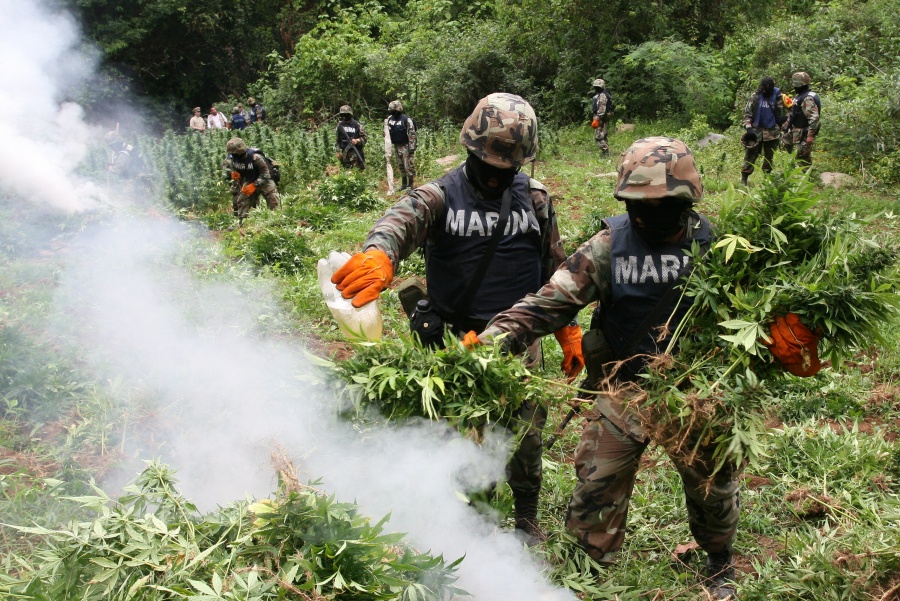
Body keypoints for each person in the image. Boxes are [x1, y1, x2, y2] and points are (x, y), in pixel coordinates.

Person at [471, 137, 743, 599]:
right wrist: (490, 340)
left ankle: (719, 560)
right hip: (623, 389)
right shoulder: (608, 248)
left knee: (713, 487)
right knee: (595, 492)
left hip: (696, 390)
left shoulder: (722, 249)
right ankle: (586, 572)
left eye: (664, 206)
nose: (651, 216)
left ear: (687, 200)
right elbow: (547, 303)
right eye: (641, 206)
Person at [330, 93, 584, 543]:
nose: (495, 175)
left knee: (525, 436)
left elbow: (553, 264)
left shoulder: (536, 201)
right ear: (470, 149)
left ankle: (526, 516)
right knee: (465, 436)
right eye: (487, 164)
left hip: (519, 343)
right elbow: (398, 222)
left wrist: (567, 329)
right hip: (454, 342)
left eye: (506, 168)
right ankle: (474, 523)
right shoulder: (439, 196)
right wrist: (379, 255)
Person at [740, 77, 787, 185]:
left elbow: (790, 108)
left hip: (772, 132)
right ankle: (744, 179)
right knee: (750, 155)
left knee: (769, 157)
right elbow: (747, 113)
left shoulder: (778, 96)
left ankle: (766, 179)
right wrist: (749, 128)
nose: (765, 91)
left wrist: (784, 121)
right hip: (756, 131)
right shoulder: (755, 96)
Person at [224, 137, 279, 223]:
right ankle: (242, 221)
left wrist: (254, 185)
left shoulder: (255, 157)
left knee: (273, 200)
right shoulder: (233, 159)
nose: (233, 155)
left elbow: (266, 174)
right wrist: (235, 174)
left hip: (265, 181)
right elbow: (234, 169)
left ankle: (276, 220)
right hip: (249, 179)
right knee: (242, 200)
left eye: (235, 153)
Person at [782, 71, 820, 167]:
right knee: (786, 142)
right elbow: (795, 112)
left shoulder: (807, 98)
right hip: (797, 130)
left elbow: (814, 117)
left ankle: (806, 176)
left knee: (803, 156)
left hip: (804, 131)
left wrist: (810, 136)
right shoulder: (801, 96)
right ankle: (798, 170)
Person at [384, 100, 417, 193]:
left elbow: (412, 134)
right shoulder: (390, 119)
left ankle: (410, 185)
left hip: (406, 145)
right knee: (401, 165)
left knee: (408, 166)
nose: (391, 112)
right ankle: (404, 184)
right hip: (396, 145)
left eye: (393, 110)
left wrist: (411, 147)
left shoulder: (406, 119)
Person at [335, 105, 367, 170]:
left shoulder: (357, 125)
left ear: (350, 115)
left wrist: (357, 140)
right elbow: (338, 140)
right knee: (346, 171)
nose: (344, 117)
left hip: (356, 153)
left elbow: (365, 138)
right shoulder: (340, 125)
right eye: (342, 115)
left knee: (357, 172)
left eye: (346, 115)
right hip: (345, 153)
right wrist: (337, 151)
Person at [590, 78, 613, 156]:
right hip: (603, 117)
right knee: (604, 135)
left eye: (597, 87)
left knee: (598, 136)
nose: (596, 88)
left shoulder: (602, 95)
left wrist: (597, 118)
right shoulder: (604, 94)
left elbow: (602, 108)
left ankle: (605, 151)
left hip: (601, 117)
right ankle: (606, 151)